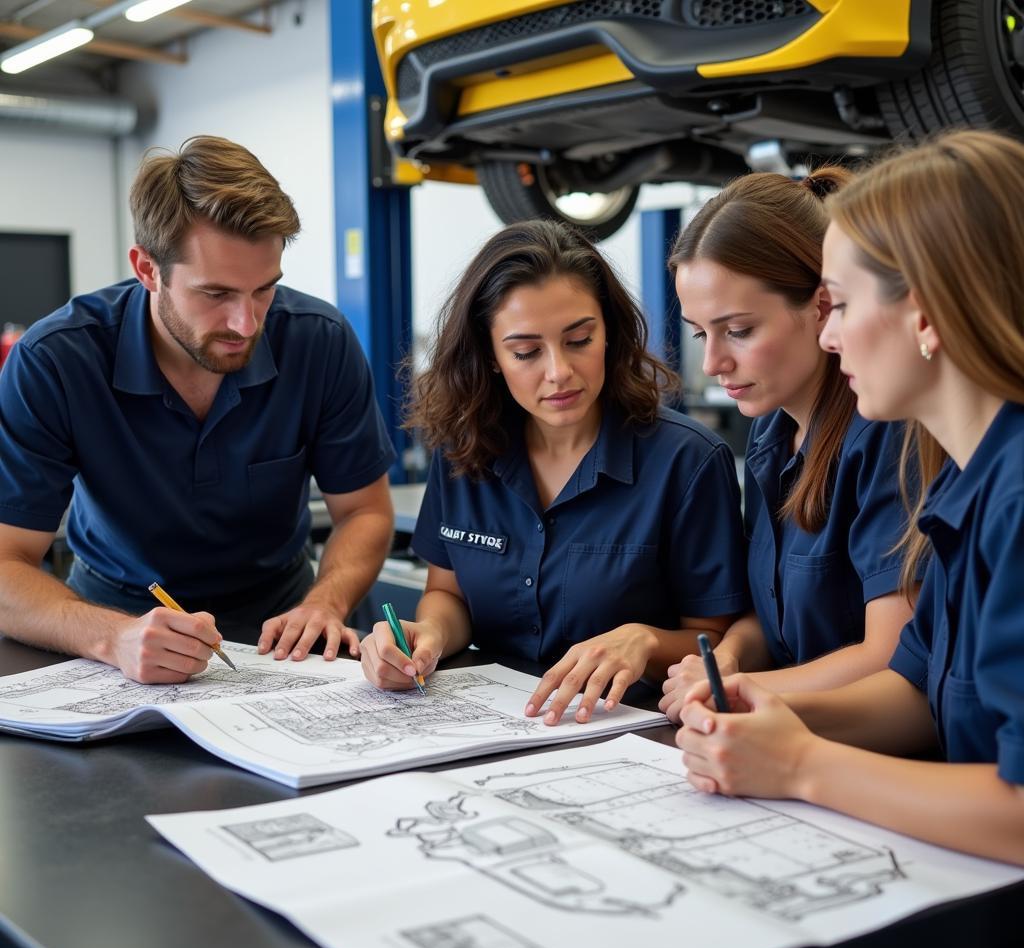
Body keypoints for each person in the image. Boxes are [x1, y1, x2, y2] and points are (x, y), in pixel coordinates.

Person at [676, 129, 1024, 864]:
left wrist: (802, 765)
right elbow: (911, 688)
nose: (829, 338)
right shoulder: (966, 478)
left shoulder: (1010, 496)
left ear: (925, 315)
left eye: (837, 305)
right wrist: (770, 712)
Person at [0, 136, 395, 683]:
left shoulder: (318, 341)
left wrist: (325, 602)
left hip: (283, 627)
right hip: (111, 624)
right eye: (216, 294)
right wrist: (113, 636)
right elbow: (5, 566)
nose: (246, 323)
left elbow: (364, 512)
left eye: (264, 290)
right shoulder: (56, 360)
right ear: (148, 270)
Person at [359, 220, 749, 724]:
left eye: (579, 340)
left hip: (634, 734)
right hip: (493, 724)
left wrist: (644, 640)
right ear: (492, 356)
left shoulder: (687, 461)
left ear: (609, 332)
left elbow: (715, 642)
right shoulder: (462, 452)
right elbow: (448, 594)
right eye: (525, 352)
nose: (559, 371)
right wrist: (429, 634)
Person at [660, 168, 916, 721]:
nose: (713, 363)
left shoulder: (885, 435)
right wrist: (726, 660)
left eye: (741, 330)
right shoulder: (770, 434)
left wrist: (749, 691)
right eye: (702, 334)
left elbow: (890, 654)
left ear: (823, 307)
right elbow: (768, 615)